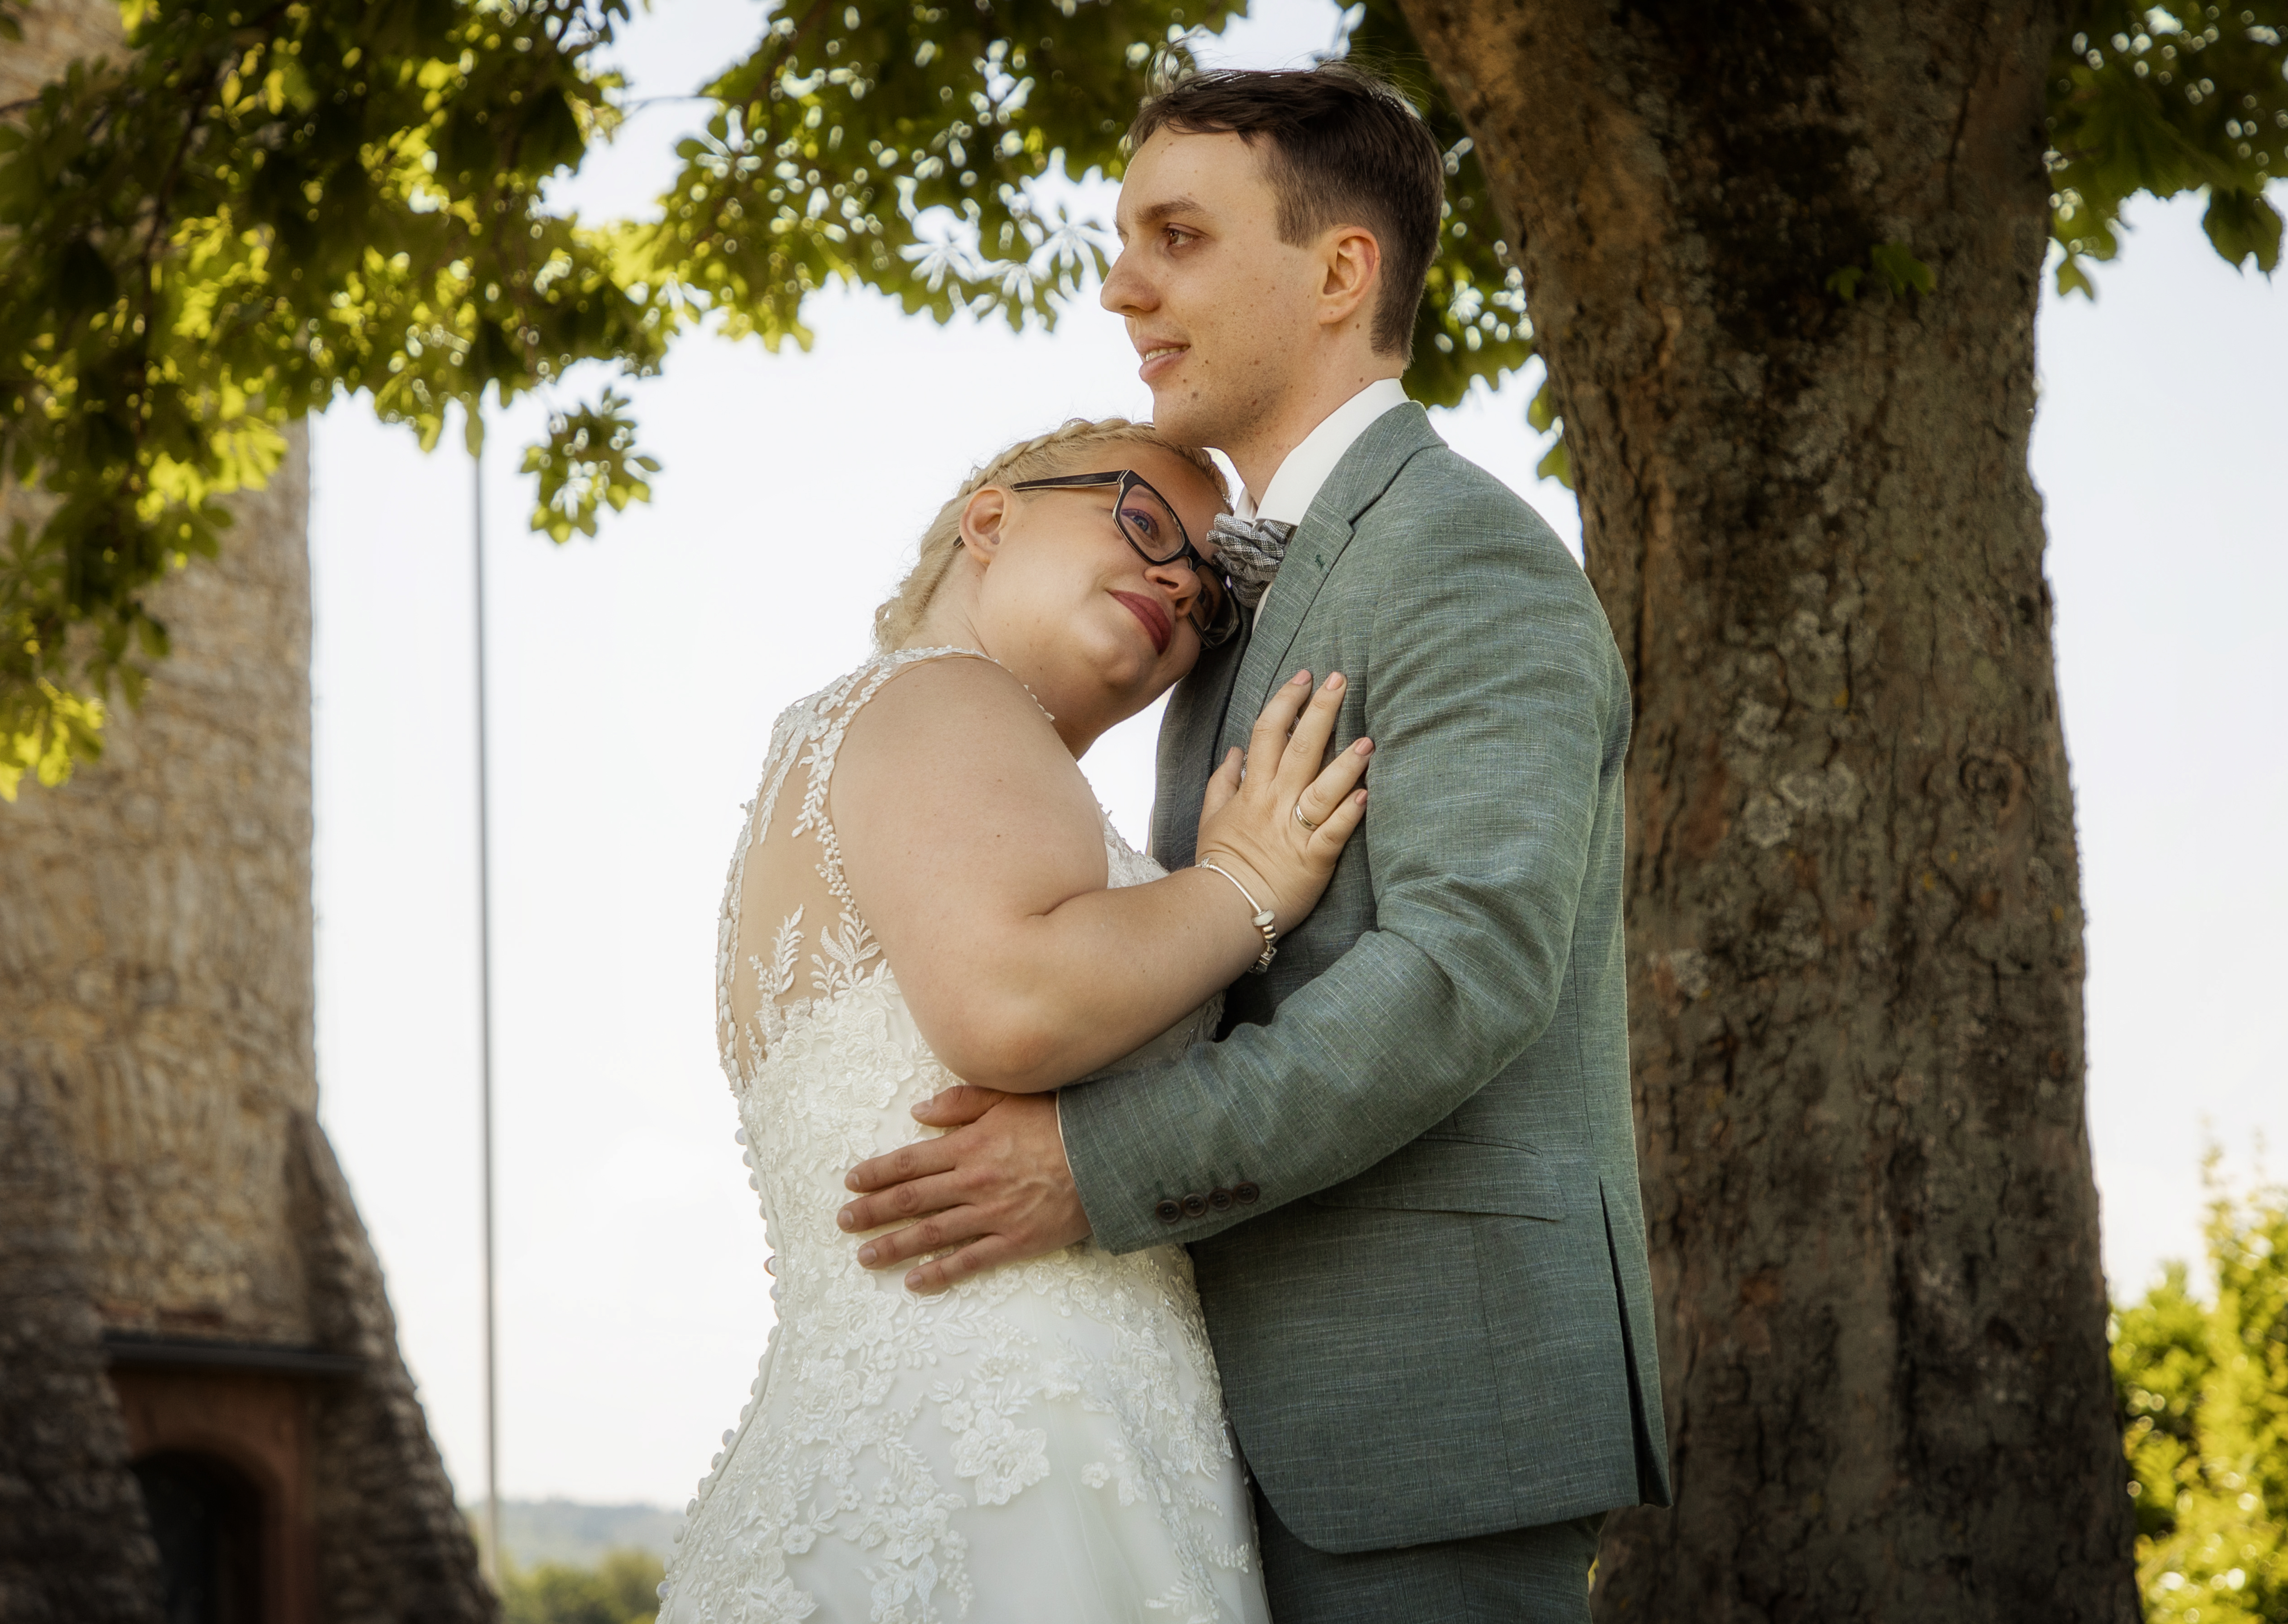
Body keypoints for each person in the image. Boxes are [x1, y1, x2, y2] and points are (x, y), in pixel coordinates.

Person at [837, 64, 1673, 1622]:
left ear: (1342, 269)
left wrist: (1096, 1167)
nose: (1122, 284)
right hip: (1216, 1426)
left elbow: (1466, 970)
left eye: (1179, 237)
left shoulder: (1467, 555)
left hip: (1422, 1419)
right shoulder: (1225, 614)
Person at [656, 417, 1374, 1624]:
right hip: (1006, 1456)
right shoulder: (950, 698)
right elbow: (1011, 1002)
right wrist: (1244, 886)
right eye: (1144, 523)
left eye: (1210, 600)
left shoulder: (853, 739)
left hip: (913, 1430)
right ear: (991, 518)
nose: (1177, 587)